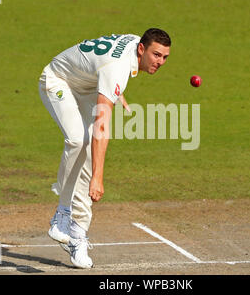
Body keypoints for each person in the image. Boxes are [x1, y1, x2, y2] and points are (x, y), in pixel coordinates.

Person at [38, 28, 171, 268]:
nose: (160, 62)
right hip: (58, 80)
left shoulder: (133, 43)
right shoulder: (117, 67)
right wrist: (98, 177)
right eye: (156, 55)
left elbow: (103, 64)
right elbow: (102, 128)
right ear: (142, 49)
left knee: (88, 153)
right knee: (78, 140)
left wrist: (116, 92)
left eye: (164, 57)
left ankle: (77, 236)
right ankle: (61, 215)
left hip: (86, 86)